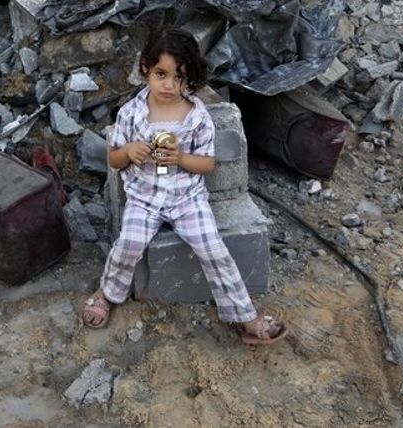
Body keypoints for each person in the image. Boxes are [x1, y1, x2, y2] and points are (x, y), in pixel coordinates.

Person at [80, 28, 287, 345]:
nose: (169, 85)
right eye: (161, 74)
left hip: (186, 199)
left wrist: (180, 158)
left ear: (190, 78)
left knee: (214, 249)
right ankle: (107, 292)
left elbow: (207, 164)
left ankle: (247, 316)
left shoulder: (197, 116)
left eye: (179, 77)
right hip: (144, 197)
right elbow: (114, 159)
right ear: (146, 68)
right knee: (128, 244)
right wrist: (129, 151)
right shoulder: (132, 113)